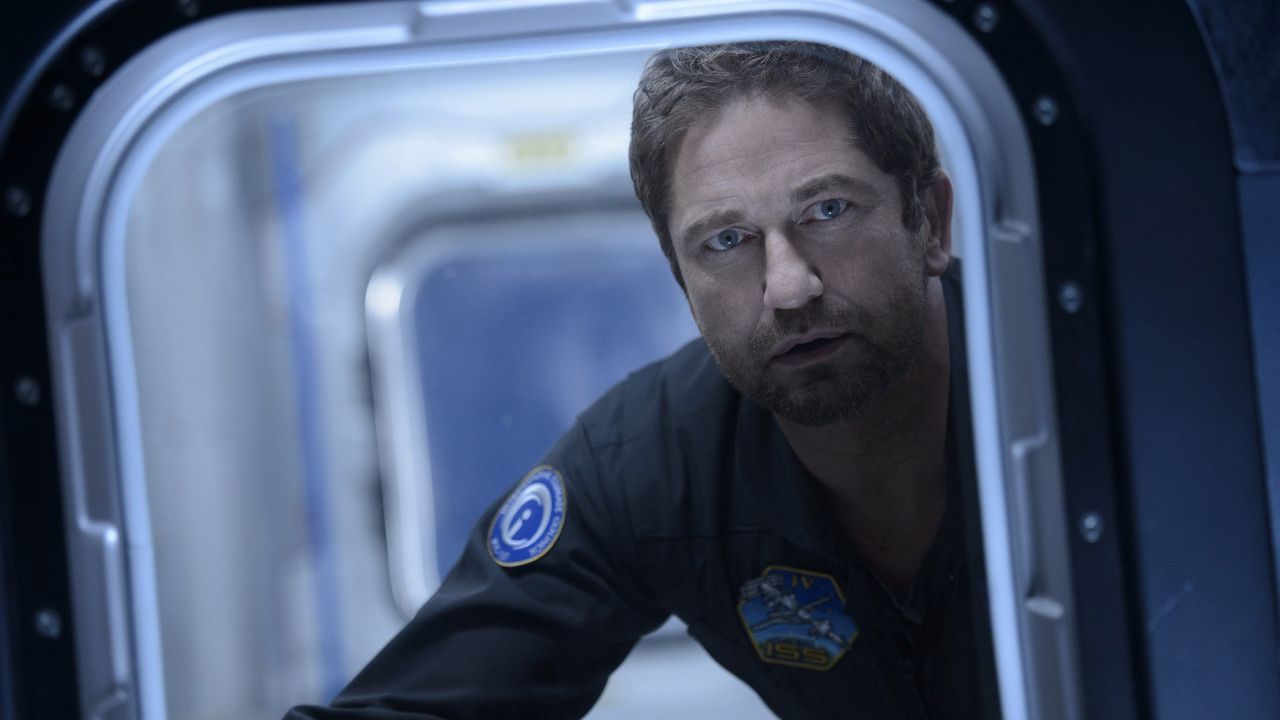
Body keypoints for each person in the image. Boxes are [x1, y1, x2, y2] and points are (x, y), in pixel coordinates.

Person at [287, 40, 998, 720]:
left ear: (930, 223)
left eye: (827, 210)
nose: (788, 287)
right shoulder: (653, 465)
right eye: (726, 241)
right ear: (681, 280)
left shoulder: (1050, 386)